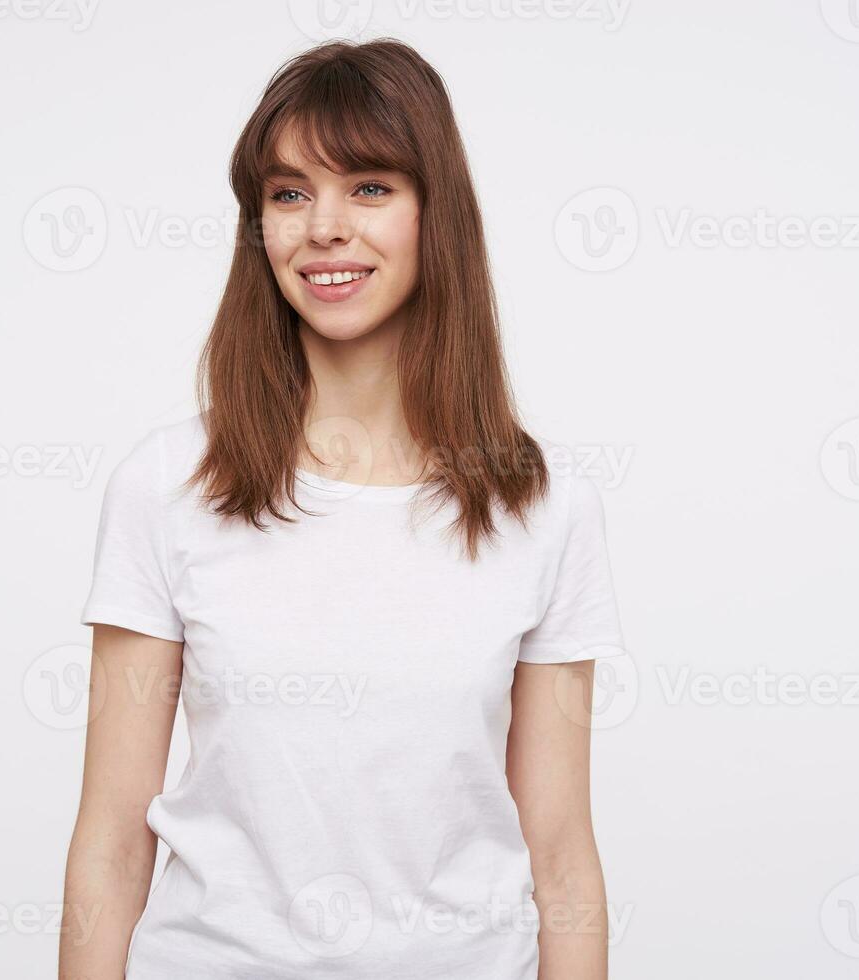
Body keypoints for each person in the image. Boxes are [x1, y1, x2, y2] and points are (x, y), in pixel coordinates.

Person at [60, 37, 626, 980]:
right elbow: (113, 839)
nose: (324, 227)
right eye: (288, 194)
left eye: (369, 187)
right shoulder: (165, 485)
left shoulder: (547, 504)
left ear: (434, 214)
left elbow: (561, 848)